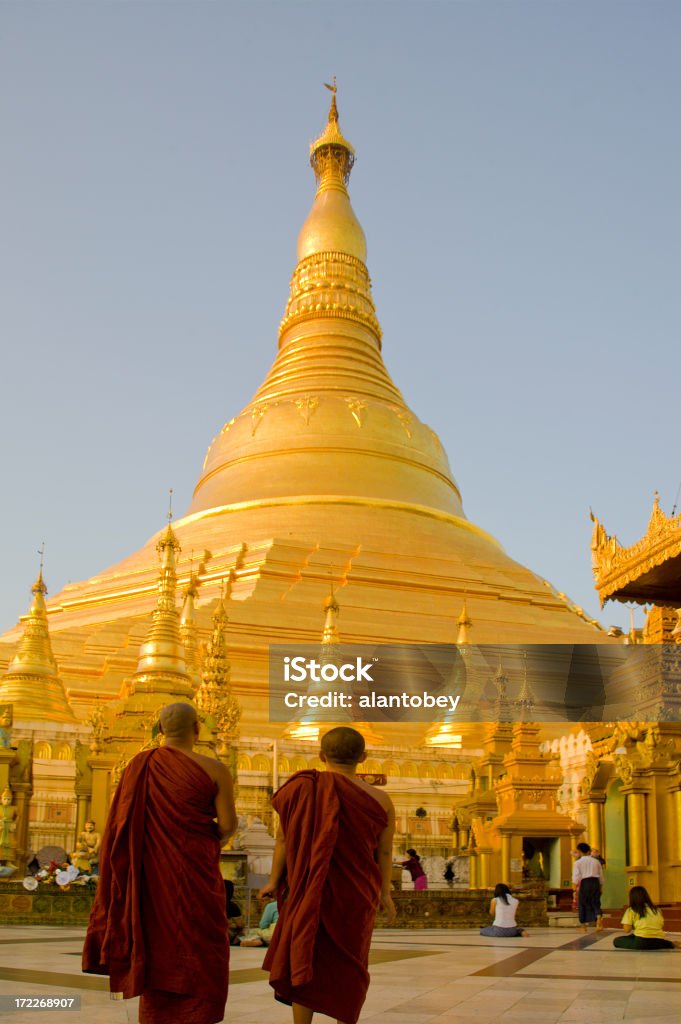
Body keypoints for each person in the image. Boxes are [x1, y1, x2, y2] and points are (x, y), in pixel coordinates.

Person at [82, 702, 237, 1024]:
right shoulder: (215, 769)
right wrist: (206, 837)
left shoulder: (138, 766)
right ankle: (198, 1014)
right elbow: (227, 825)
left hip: (151, 878)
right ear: (197, 728)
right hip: (196, 874)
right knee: (201, 941)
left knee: (155, 939)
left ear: (160, 729)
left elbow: (118, 827)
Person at [260, 726, 396, 1024]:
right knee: (351, 960)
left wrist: (272, 880)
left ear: (321, 755)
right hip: (357, 893)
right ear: (364, 757)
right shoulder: (381, 800)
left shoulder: (301, 788)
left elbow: (283, 839)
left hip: (307, 888)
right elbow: (384, 853)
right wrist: (385, 893)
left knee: (305, 951)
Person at [613, 886, 677, 950]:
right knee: (635, 936)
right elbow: (660, 924)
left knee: (616, 941)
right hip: (658, 940)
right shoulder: (656, 909)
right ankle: (669, 944)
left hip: (641, 942)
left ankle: (665, 944)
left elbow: (627, 930)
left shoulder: (632, 909)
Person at [572, 841, 604, 933]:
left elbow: (575, 877)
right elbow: (601, 875)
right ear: (588, 851)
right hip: (595, 882)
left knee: (582, 903)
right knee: (596, 902)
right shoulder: (596, 861)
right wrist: (601, 887)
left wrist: (574, 891)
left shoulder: (578, 862)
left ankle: (583, 926)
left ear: (580, 851)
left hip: (585, 883)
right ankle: (598, 920)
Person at [225, 879, 245, 946]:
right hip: (226, 935)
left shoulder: (211, 903)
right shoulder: (232, 906)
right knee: (241, 931)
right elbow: (240, 924)